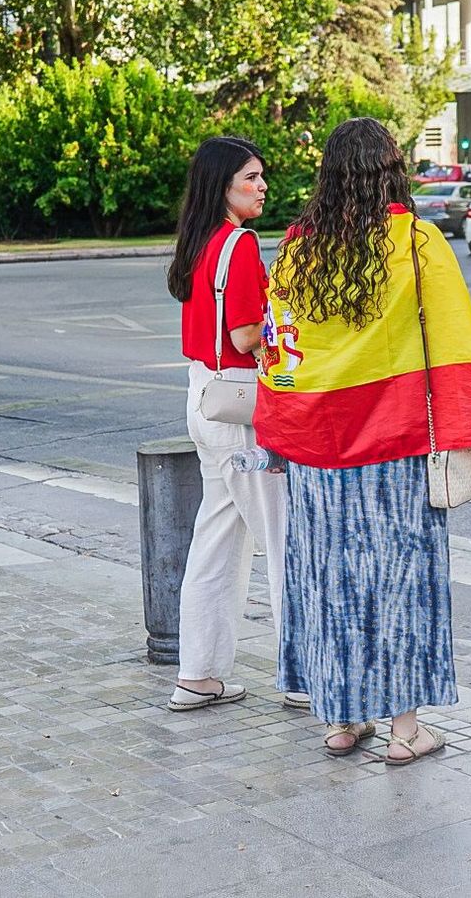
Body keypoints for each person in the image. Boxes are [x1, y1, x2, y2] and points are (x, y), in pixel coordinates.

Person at [255, 118, 471, 763]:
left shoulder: (297, 251)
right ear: (391, 171)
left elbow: (279, 353)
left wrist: (279, 436)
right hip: (397, 446)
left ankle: (342, 720)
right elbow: (460, 344)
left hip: (320, 453)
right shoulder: (416, 246)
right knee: (400, 578)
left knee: (329, 577)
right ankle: (406, 732)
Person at [165, 137, 302, 712]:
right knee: (284, 539)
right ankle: (303, 675)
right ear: (223, 185)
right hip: (243, 406)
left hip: (204, 398)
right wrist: (286, 317)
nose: (262, 186)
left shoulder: (198, 244)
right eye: (251, 177)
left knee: (217, 541)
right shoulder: (240, 245)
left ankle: (197, 674)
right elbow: (248, 335)